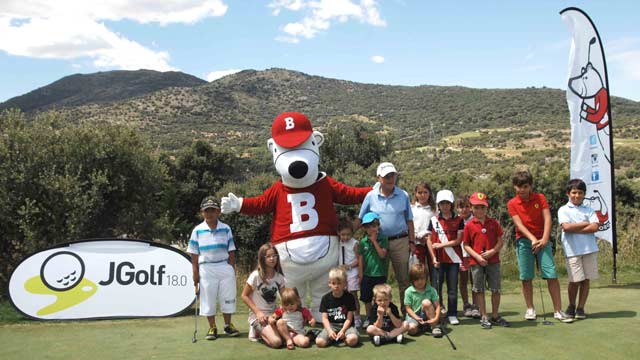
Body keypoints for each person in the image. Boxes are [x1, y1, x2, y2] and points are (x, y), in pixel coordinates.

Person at [507, 170, 574, 323]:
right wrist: (532, 239)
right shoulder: (512, 203)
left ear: (530, 186)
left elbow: (547, 218)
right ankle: (530, 309)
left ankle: (558, 311)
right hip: (524, 241)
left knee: (551, 274)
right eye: (518, 186)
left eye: (525, 186)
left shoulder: (540, 198)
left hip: (543, 240)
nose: (522, 190)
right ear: (514, 187)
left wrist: (544, 239)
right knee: (526, 276)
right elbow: (519, 224)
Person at [359, 162, 415, 313]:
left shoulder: (403, 195)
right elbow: (361, 219)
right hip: (377, 242)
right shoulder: (370, 196)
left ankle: (406, 311)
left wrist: (411, 241)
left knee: (403, 279)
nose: (390, 179)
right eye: (386, 176)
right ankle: (376, 314)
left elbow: (409, 220)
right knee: (376, 280)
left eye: (393, 175)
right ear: (379, 178)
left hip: (400, 241)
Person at [187, 196, 240, 340]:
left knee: (227, 297)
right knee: (208, 299)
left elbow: (231, 252)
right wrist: (195, 276)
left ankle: (228, 325)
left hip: (224, 266)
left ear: (218, 212)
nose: (209, 213)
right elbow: (194, 257)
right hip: (206, 268)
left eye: (213, 210)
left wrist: (232, 270)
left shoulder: (226, 228)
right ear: (202, 212)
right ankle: (212, 327)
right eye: (206, 210)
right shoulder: (197, 230)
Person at [463, 192, 510, 329]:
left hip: (493, 261)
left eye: (482, 207)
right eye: (476, 207)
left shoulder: (493, 223)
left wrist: (492, 251)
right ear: (471, 208)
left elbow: (500, 241)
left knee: (495, 288)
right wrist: (477, 257)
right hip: (476, 262)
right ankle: (484, 316)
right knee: (479, 289)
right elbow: (466, 245)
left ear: (486, 208)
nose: (479, 210)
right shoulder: (469, 225)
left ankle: (495, 315)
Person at [558, 179, 600, 320]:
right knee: (575, 281)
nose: (577, 195)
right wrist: (584, 223)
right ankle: (571, 305)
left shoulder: (589, 209)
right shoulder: (563, 209)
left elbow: (595, 227)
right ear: (568, 193)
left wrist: (576, 228)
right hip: (572, 251)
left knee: (586, 280)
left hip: (589, 249)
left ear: (584, 194)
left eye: (580, 193)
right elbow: (566, 227)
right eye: (574, 192)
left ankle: (581, 308)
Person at [427, 189, 464, 325]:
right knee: (437, 289)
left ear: (451, 204)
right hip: (438, 259)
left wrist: (441, 246)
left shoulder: (459, 220)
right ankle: (437, 313)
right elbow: (429, 240)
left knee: (452, 288)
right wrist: (433, 258)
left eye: (447, 203)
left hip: (453, 259)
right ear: (438, 204)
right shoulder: (433, 220)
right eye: (442, 203)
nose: (445, 206)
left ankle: (452, 313)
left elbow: (458, 240)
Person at [241, 243, 285, 347]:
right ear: (262, 259)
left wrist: (280, 311)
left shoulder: (279, 277)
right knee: (277, 342)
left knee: (287, 336)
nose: (272, 259)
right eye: (268, 256)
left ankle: (270, 330)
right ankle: (256, 331)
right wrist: (258, 312)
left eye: (274, 256)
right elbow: (244, 296)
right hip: (259, 317)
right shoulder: (255, 275)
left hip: (273, 316)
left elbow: (284, 300)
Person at [357, 212, 389, 328]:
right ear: (365, 228)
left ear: (378, 226)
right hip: (367, 274)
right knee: (367, 298)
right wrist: (360, 274)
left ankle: (381, 318)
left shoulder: (383, 239)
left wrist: (375, 241)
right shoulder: (363, 241)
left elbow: (382, 255)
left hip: (379, 274)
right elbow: (360, 259)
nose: (371, 229)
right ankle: (369, 318)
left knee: (381, 298)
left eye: (374, 226)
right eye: (368, 227)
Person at [316, 267, 359, 348]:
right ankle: (333, 337)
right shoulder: (325, 298)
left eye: (339, 283)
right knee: (319, 342)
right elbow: (324, 319)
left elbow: (349, 318)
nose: (336, 286)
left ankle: (343, 338)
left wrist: (343, 331)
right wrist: (329, 331)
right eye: (333, 283)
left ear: (345, 284)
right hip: (332, 326)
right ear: (329, 283)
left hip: (346, 326)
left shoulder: (350, 297)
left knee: (352, 340)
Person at [456, 195, 480, 319]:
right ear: (457, 208)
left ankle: (476, 305)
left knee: (475, 280)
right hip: (460, 255)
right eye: (461, 207)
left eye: (466, 206)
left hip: (473, 255)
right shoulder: (456, 221)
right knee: (463, 281)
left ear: (470, 208)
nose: (464, 209)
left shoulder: (475, 220)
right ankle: (466, 304)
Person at [404, 263, 442, 337]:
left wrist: (436, 318)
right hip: (414, 316)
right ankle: (421, 327)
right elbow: (408, 308)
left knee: (426, 302)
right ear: (412, 280)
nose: (420, 281)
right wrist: (417, 318)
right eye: (416, 279)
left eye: (422, 278)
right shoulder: (408, 291)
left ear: (426, 278)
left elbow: (437, 306)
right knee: (411, 330)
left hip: (427, 314)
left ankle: (434, 326)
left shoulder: (431, 290)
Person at [337, 218, 362, 328]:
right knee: (341, 295)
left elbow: (359, 260)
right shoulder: (338, 242)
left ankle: (357, 318)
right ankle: (345, 316)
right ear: (338, 233)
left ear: (352, 233)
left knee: (353, 296)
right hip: (341, 274)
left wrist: (349, 266)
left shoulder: (355, 243)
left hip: (352, 273)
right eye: (343, 234)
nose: (345, 237)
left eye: (348, 234)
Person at [411, 181, 436, 267]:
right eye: (420, 192)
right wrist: (417, 236)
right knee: (419, 268)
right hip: (417, 243)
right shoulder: (412, 209)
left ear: (429, 193)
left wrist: (429, 237)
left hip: (432, 243)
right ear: (416, 194)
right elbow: (409, 225)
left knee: (433, 267)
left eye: (425, 192)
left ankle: (434, 281)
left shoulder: (434, 209)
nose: (423, 195)